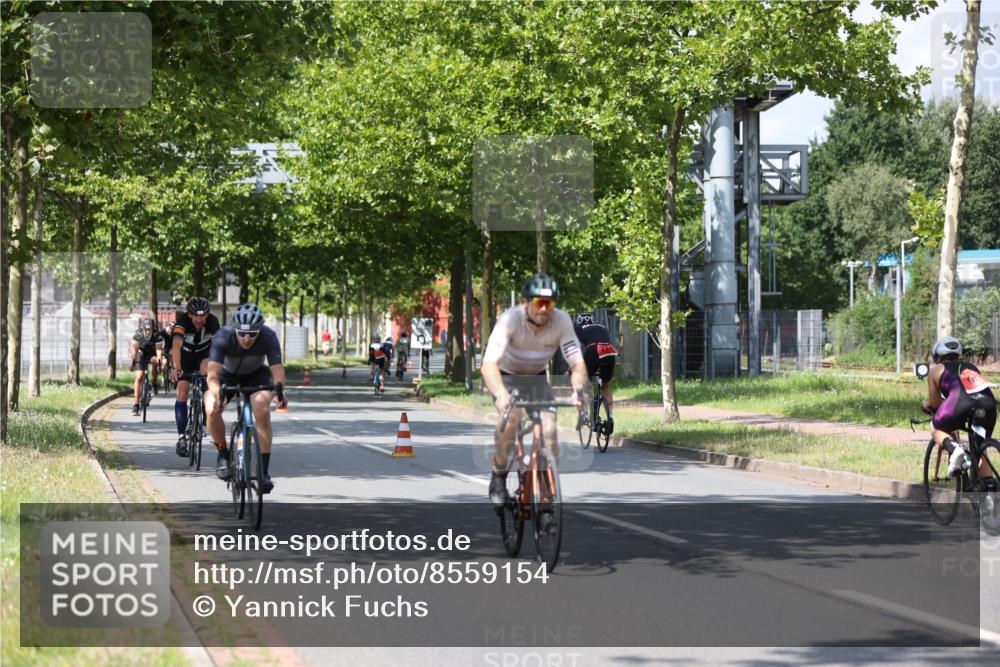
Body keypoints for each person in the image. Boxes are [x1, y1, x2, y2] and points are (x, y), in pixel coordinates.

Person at [480, 274, 588, 507]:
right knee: (512, 418)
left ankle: (547, 501)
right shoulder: (509, 320)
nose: (544, 310)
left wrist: (578, 390)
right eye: (539, 303)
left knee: (549, 432)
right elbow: (488, 365)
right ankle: (498, 475)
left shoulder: (561, 321)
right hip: (506, 377)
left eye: (549, 303)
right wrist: (501, 394)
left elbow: (577, 363)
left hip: (536, 378)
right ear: (525, 303)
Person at [204, 304, 287, 492]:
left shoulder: (268, 336)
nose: (247, 338)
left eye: (252, 334)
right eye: (242, 333)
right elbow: (212, 375)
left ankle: (263, 473)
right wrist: (218, 395)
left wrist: (278, 392)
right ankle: (223, 452)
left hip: (256, 375)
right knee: (211, 408)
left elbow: (278, 372)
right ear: (235, 329)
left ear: (260, 330)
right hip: (226, 376)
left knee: (262, 407)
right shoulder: (223, 336)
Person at [920, 336, 997, 478]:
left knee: (936, 428)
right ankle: (988, 494)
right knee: (980, 449)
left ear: (937, 356)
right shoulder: (971, 367)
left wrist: (924, 405)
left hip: (960, 404)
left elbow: (935, 404)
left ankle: (955, 449)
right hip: (989, 405)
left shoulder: (936, 370)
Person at [170, 297, 221, 457]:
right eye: (196, 316)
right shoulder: (182, 322)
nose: (199, 319)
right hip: (185, 357)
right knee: (182, 392)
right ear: (189, 314)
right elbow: (176, 346)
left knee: (208, 371)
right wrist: (177, 368)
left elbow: (219, 345)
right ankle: (181, 438)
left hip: (203, 355)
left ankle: (207, 416)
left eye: (203, 316)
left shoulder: (213, 321)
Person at [574, 312, 618, 435]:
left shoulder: (577, 329)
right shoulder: (602, 327)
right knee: (605, 386)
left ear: (579, 321)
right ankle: (610, 418)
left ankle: (584, 413)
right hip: (609, 351)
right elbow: (603, 339)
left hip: (593, 351)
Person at [129, 317, 165, 415]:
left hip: (152, 353)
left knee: (155, 362)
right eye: (146, 329)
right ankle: (136, 405)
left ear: (153, 328)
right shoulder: (138, 334)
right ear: (143, 328)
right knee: (139, 377)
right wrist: (132, 361)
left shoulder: (157, 335)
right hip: (141, 353)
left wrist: (159, 361)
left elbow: (158, 350)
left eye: (150, 329)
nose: (148, 331)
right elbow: (134, 350)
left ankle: (153, 382)